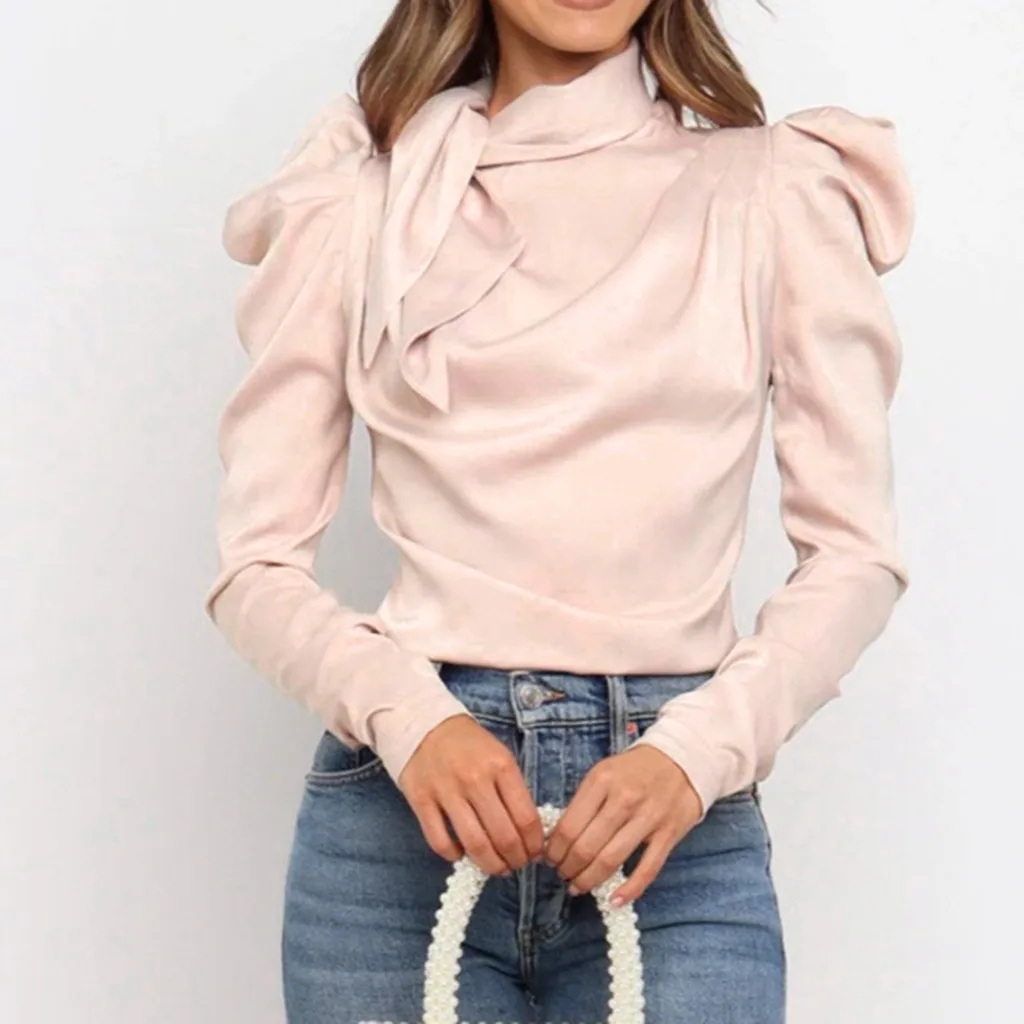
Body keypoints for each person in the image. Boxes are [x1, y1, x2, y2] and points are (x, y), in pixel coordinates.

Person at [203, 0, 914, 1020]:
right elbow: (254, 566)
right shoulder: (357, 203)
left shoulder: (773, 190)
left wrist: (693, 751)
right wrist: (409, 718)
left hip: (675, 817)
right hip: (401, 823)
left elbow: (855, 557)